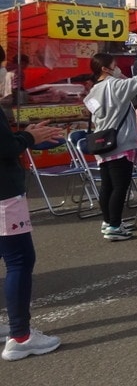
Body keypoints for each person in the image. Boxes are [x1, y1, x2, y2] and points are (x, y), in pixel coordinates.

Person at [0, 110, 64, 361]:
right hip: (4, 193)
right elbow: (5, 147)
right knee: (20, 260)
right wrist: (27, 137)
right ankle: (21, 337)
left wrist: (23, 136)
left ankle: (19, 333)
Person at [85, 49, 137, 241]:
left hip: (102, 144)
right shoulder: (114, 86)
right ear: (105, 68)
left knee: (107, 186)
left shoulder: (92, 92)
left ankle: (108, 221)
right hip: (121, 143)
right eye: (114, 65)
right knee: (120, 186)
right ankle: (115, 226)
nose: (117, 68)